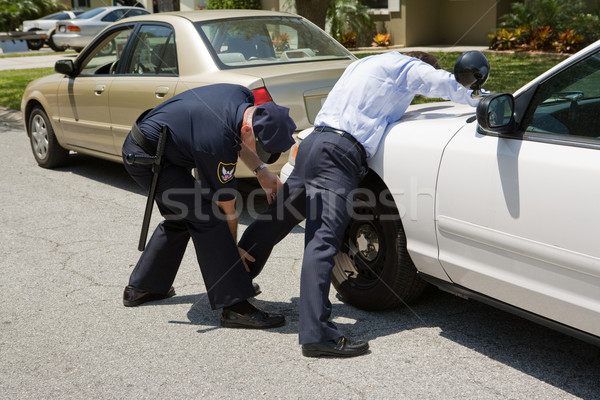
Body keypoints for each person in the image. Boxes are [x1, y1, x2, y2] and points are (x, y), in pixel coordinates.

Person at [238, 51, 483, 356]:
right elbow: (443, 84)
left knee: (278, 218)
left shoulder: (363, 64)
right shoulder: (406, 66)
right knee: (323, 240)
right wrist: (482, 99)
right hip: (339, 153)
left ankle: (234, 283)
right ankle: (316, 334)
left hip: (314, 142)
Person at [121, 83, 296, 330]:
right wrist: (232, 254)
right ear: (250, 127)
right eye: (261, 146)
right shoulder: (217, 140)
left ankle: (143, 287)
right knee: (208, 217)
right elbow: (227, 206)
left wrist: (261, 171)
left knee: (183, 216)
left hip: (166, 149)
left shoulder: (241, 96)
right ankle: (235, 307)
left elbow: (241, 138)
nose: (261, 152)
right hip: (146, 158)